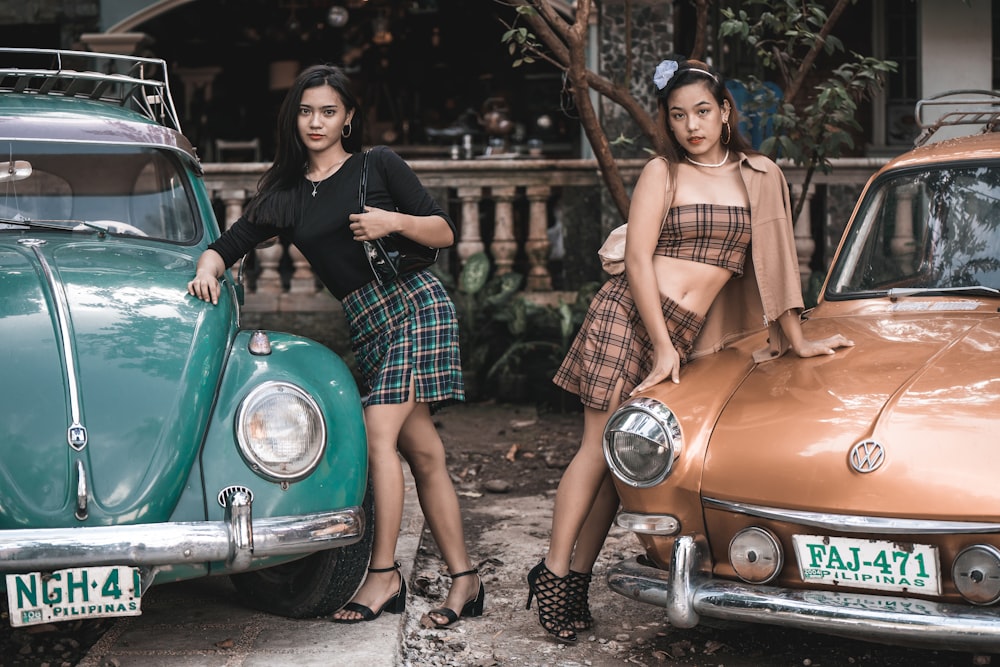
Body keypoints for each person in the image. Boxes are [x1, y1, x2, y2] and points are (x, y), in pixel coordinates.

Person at [528, 57, 854, 643]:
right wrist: (660, 344)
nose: (692, 125)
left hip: (688, 332)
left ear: (726, 112)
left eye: (702, 111)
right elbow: (636, 259)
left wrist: (799, 340)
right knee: (595, 451)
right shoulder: (664, 173)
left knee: (620, 470)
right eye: (678, 116)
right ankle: (551, 574)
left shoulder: (759, 175)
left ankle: (576, 580)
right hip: (632, 315)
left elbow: (776, 263)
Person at [187, 64, 484, 628]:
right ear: (293, 118)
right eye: (306, 111)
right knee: (422, 453)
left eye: (328, 111)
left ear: (348, 116)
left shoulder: (379, 164)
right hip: (368, 320)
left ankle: (382, 575)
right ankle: (465, 581)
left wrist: (391, 221)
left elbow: (443, 231)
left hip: (414, 304)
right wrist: (208, 265)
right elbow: (231, 243)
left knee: (378, 434)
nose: (316, 122)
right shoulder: (288, 196)